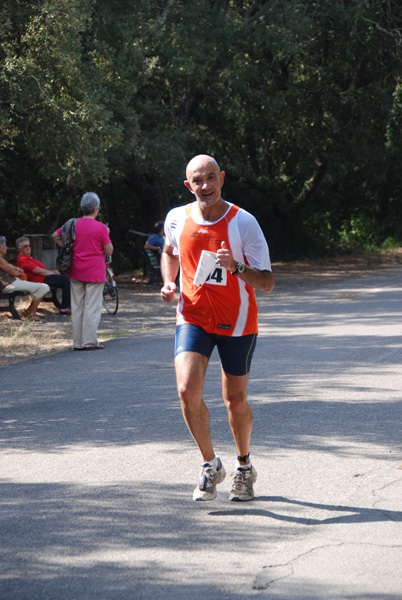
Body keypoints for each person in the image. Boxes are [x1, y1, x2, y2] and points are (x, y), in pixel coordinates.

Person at [160, 154, 274, 503]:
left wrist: (237, 267)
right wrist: (169, 282)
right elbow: (169, 251)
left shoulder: (244, 222)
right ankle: (210, 465)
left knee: (234, 401)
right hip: (193, 315)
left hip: (237, 322)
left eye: (211, 177)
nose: (205, 185)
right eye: (198, 180)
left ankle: (243, 467)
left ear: (222, 178)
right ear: (188, 185)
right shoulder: (177, 218)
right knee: (185, 390)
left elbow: (267, 282)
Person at [52, 192, 113, 351]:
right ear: (95, 209)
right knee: (91, 307)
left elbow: (55, 235)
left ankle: (78, 342)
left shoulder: (73, 224)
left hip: (76, 270)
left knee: (77, 306)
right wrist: (107, 234)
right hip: (94, 271)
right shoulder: (101, 228)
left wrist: (68, 248)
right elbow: (109, 250)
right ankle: (89, 342)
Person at [16, 236, 71, 314]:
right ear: (19, 248)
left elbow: (40, 270)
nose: (28, 248)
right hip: (39, 280)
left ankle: (67, 305)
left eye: (29, 245)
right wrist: (52, 273)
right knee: (66, 280)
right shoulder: (22, 259)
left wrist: (52, 272)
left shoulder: (28, 258)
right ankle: (65, 307)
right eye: (25, 246)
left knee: (66, 278)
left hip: (43, 278)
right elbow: (37, 270)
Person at [0, 236, 50, 321]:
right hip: (8, 285)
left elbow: (12, 267)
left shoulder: (1, 258)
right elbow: (13, 271)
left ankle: (29, 312)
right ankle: (31, 314)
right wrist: (18, 271)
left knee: (42, 287)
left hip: (11, 282)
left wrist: (17, 269)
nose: (7, 247)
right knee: (44, 287)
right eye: (5, 245)